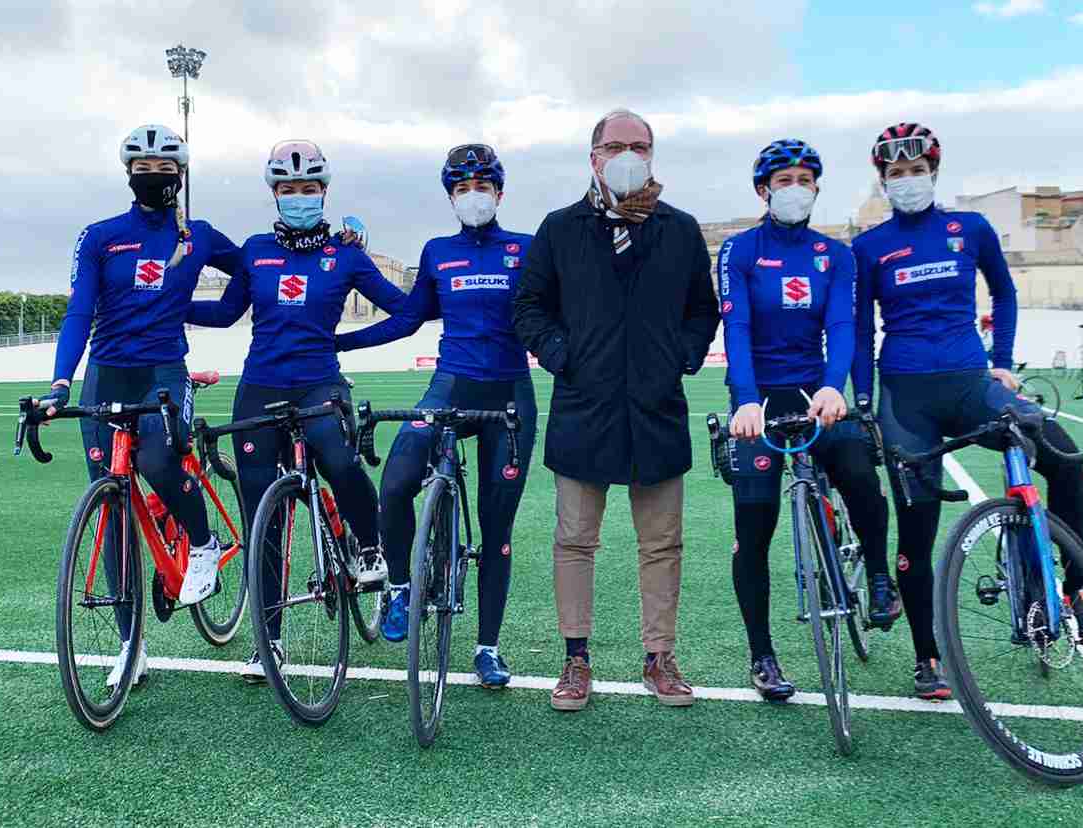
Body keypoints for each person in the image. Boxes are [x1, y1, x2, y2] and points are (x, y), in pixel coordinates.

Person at [849, 123, 1083, 700]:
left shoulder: (972, 229)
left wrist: (1004, 359)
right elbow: (860, 330)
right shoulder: (868, 248)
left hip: (971, 383)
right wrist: (865, 402)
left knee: (1064, 456)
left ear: (934, 173)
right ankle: (927, 656)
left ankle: (1074, 589)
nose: (907, 181)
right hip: (905, 395)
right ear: (883, 182)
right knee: (916, 529)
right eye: (896, 174)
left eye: (916, 171)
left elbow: (1006, 292)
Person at [513, 108, 721, 712]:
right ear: (593, 156)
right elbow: (528, 306)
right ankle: (576, 658)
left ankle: (660, 657)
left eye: (640, 145)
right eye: (615, 145)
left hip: (656, 409)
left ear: (653, 154)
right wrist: (563, 357)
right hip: (585, 407)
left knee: (662, 542)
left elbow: (701, 309)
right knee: (574, 540)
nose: (627, 154)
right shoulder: (558, 229)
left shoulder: (680, 231)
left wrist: (679, 356)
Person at [185, 140, 402, 682]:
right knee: (265, 518)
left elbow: (407, 309)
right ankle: (271, 642)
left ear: (323, 192)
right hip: (259, 386)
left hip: (319, 384)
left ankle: (370, 547)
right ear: (274, 194)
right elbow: (226, 311)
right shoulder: (256, 250)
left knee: (337, 457)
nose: (298, 197)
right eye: (288, 189)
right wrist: (164, 305)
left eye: (308, 189)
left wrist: (349, 346)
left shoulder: (346, 254)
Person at [42, 124, 246, 687]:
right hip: (106, 377)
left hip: (163, 371)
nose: (154, 179)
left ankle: (203, 544)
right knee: (111, 509)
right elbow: (79, 312)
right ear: (127, 174)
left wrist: (201, 312)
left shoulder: (199, 235)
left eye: (165, 170)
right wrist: (60, 383)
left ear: (181, 176)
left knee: (157, 461)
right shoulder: (101, 236)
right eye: (143, 170)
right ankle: (132, 647)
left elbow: (253, 271)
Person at [335, 144, 538, 689]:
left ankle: (488, 648)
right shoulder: (437, 251)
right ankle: (401, 589)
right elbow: (406, 320)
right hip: (448, 387)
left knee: (498, 530)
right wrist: (339, 344)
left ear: (499, 192)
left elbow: (556, 314)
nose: (473, 195)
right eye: (461, 188)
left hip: (509, 397)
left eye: (482, 186)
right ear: (451, 197)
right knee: (397, 478)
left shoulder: (527, 248)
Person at [715, 139, 893, 701]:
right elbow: (736, 328)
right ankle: (762, 654)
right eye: (783, 179)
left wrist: (832, 390)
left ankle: (882, 574)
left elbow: (842, 326)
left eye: (804, 179)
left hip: (814, 389)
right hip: (758, 398)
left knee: (859, 469)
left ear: (816, 186)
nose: (796, 188)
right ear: (764, 190)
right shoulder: (740, 250)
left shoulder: (835, 255)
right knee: (755, 523)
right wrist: (745, 398)